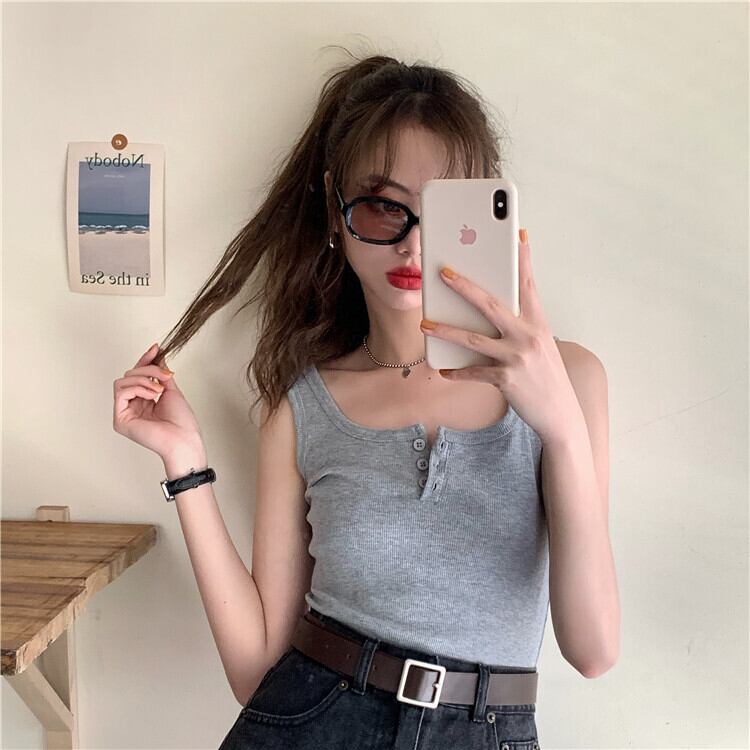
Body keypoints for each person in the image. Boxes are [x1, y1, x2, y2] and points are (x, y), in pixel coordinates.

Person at [113, 46, 617, 750]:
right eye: (384, 208)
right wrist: (185, 464)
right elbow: (258, 671)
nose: (413, 245)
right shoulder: (302, 407)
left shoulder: (572, 379)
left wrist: (560, 425)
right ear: (336, 209)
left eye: (444, 211)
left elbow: (594, 649)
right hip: (316, 721)